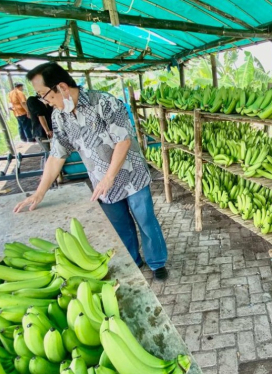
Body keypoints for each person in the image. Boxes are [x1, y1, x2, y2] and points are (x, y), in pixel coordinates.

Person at [13, 62, 169, 280]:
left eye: (45, 95)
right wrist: (39, 192)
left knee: (145, 220)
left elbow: (123, 141)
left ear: (62, 87)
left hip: (132, 175)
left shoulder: (104, 102)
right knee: (120, 227)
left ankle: (157, 262)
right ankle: (133, 261)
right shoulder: (59, 117)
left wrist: (109, 177)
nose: (45, 102)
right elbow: (57, 155)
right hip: (101, 183)